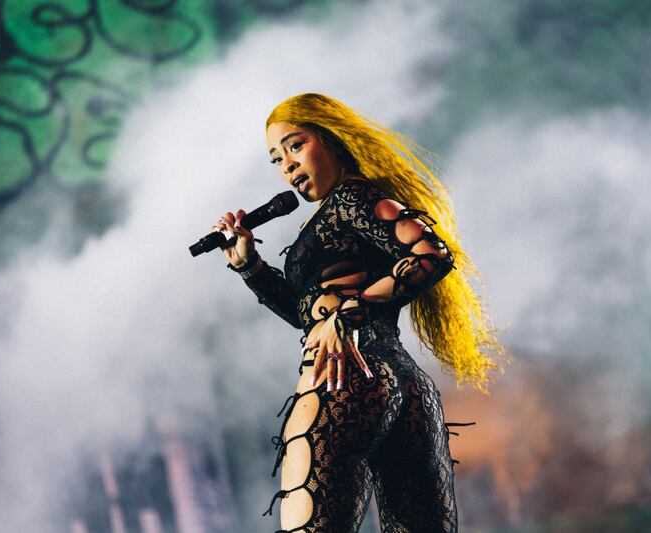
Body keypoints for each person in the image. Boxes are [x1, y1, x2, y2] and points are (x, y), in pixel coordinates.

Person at [214, 93, 507, 532]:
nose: (288, 165)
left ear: (332, 139)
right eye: (276, 158)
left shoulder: (351, 199)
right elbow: (307, 314)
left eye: (295, 145)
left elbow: (431, 254)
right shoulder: (342, 212)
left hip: (345, 377)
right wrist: (250, 266)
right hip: (404, 387)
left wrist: (347, 315)